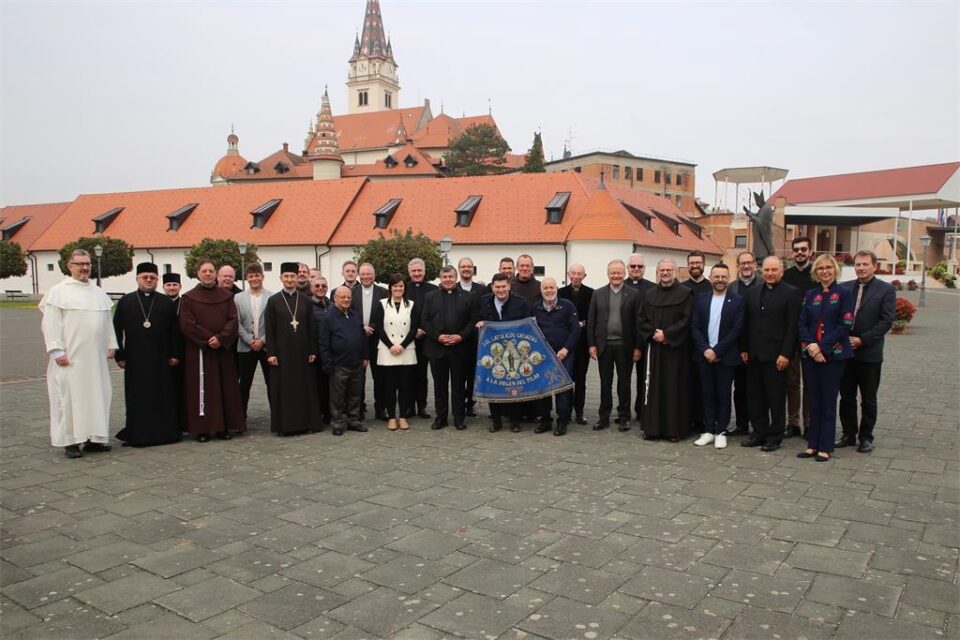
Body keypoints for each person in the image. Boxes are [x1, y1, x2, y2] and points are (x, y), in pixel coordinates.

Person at [39, 249, 118, 458]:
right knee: (70, 398)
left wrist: (112, 343)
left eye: (88, 264)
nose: (84, 268)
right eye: (80, 264)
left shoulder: (98, 292)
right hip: (71, 358)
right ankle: (71, 441)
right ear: (69, 266)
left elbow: (106, 320)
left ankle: (95, 438)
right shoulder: (58, 292)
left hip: (95, 358)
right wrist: (57, 350)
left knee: (98, 396)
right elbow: (50, 324)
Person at [113, 262, 182, 447]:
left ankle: (165, 433)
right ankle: (137, 433)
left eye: (152, 277)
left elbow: (175, 331)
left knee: (163, 393)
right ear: (137, 279)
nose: (149, 280)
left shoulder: (166, 302)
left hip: (162, 356)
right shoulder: (125, 302)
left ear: (157, 280)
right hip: (135, 357)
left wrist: (175, 354)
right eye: (145, 277)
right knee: (137, 395)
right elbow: (116, 330)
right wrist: (120, 355)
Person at [740, 256, 801, 452]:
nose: (770, 273)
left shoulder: (791, 293)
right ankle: (759, 432)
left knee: (775, 397)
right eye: (767, 270)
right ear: (761, 271)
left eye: (774, 270)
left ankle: (775, 436)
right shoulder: (753, 292)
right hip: (754, 355)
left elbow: (793, 327)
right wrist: (744, 348)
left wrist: (786, 354)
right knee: (755, 397)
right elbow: (746, 323)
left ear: (782, 271)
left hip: (777, 356)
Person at [797, 254, 854, 462]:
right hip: (810, 355)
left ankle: (826, 446)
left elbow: (845, 325)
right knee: (813, 401)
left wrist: (822, 347)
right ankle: (812, 444)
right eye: (821, 268)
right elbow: (802, 323)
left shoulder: (845, 293)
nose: (825, 271)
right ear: (816, 272)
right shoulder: (810, 294)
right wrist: (812, 347)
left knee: (828, 401)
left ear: (835, 270)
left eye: (829, 267)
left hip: (834, 355)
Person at [180, 259, 245, 442]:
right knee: (202, 389)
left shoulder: (226, 296)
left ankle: (223, 427)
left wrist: (221, 338)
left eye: (211, 271)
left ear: (216, 274)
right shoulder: (189, 298)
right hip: (200, 352)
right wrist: (208, 339)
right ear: (198, 274)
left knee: (225, 388)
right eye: (204, 271)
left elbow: (233, 320)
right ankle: (202, 429)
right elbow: (187, 324)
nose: (208, 274)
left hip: (222, 351)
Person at [837, 250, 896, 453]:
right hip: (846, 352)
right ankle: (848, 433)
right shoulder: (845, 288)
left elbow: (886, 321)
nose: (861, 268)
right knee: (846, 396)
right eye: (858, 264)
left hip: (869, 353)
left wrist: (863, 340)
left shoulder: (886, 290)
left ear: (874, 266)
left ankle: (866, 437)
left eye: (865, 264)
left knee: (868, 398)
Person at [638, 259, 694, 442]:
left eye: (669, 269)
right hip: (654, 349)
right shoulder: (649, 294)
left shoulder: (686, 294)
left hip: (675, 350)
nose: (665, 272)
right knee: (652, 387)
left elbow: (687, 320)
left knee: (674, 388)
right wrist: (654, 333)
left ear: (675, 271)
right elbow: (641, 319)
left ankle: (674, 430)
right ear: (657, 272)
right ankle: (652, 429)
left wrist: (668, 335)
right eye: (662, 269)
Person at [691, 264, 743, 449]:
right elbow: (695, 326)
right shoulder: (701, 299)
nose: (720, 280)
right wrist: (706, 349)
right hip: (704, 355)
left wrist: (717, 351)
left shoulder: (736, 301)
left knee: (723, 394)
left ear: (728, 278)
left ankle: (721, 431)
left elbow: (736, 329)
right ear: (710, 278)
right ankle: (708, 430)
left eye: (723, 277)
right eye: (716, 277)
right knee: (707, 394)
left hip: (725, 356)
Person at [265, 263, 321, 436]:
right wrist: (271, 353)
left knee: (304, 387)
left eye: (292, 276)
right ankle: (285, 426)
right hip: (281, 354)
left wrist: (313, 350)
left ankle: (306, 423)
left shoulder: (306, 300)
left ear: (297, 278)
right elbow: (269, 328)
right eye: (286, 277)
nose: (289, 280)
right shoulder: (273, 301)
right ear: (281, 278)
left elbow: (312, 327)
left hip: (303, 353)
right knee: (284, 389)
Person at [587, 259, 641, 431]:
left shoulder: (633, 294)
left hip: (625, 345)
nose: (616, 276)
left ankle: (624, 416)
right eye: (613, 273)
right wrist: (591, 344)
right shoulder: (598, 293)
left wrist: (638, 347)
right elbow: (591, 321)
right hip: (604, 345)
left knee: (624, 383)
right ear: (607, 274)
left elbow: (639, 323)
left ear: (624, 274)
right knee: (605, 383)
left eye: (619, 273)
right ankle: (603, 417)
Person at [421, 265, 477, 430]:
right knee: (439, 386)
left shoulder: (468, 297)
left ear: (456, 277)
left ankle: (459, 418)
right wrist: (437, 336)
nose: (448, 280)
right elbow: (425, 320)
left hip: (460, 348)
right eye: (445, 277)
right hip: (436, 348)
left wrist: (461, 336)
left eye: (451, 277)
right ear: (440, 279)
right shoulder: (430, 297)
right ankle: (441, 418)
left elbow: (472, 320)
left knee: (459, 386)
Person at [478, 272, 532, 432]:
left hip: (514, 351)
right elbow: (477, 319)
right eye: (497, 287)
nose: (500, 290)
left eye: (503, 286)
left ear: (509, 285)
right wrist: (480, 324)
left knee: (513, 383)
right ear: (492, 287)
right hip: (492, 350)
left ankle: (515, 421)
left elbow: (528, 324)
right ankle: (496, 421)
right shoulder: (483, 302)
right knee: (493, 382)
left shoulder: (520, 302)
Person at [318, 286, 369, 436]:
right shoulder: (328, 317)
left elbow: (362, 337)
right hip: (338, 364)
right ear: (335, 298)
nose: (346, 300)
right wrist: (328, 363)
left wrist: (365, 356)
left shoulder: (355, 315)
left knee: (355, 394)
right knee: (337, 396)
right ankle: (338, 422)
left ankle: (353, 420)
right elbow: (324, 342)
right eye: (343, 297)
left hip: (357, 363)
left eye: (348, 297)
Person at [532, 277, 580, 436]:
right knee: (542, 388)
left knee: (562, 388)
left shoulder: (567, 306)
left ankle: (562, 421)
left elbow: (575, 330)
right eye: (545, 288)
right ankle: (545, 420)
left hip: (563, 355)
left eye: (551, 287)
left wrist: (566, 349)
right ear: (541, 290)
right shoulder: (535, 308)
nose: (549, 291)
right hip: (542, 356)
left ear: (557, 288)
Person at [372, 274, 419, 431]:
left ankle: (403, 417)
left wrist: (403, 345)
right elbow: (378, 327)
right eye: (395, 286)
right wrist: (391, 345)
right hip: (387, 350)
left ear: (404, 288)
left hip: (406, 350)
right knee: (389, 386)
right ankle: (392, 417)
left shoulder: (411, 305)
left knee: (406, 386)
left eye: (401, 286)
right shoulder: (382, 304)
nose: (398, 289)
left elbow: (414, 328)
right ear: (390, 288)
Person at [783, 236, 817, 438]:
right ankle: (793, 423)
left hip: (813, 339)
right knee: (792, 383)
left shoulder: (817, 274)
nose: (800, 253)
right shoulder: (786, 275)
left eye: (804, 249)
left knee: (810, 383)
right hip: (792, 337)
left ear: (810, 252)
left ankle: (810, 422)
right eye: (796, 249)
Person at [235, 263, 272, 422]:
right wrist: (250, 340)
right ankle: (240, 418)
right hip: (245, 346)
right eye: (251, 276)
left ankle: (276, 416)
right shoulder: (238, 298)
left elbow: (274, 324)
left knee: (271, 383)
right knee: (244, 384)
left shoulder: (271, 297)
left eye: (257, 275)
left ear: (263, 277)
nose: (254, 278)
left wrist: (262, 340)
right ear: (247, 278)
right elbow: (235, 323)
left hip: (266, 347)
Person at [727, 251, 758, 436]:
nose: (746, 266)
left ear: (754, 264)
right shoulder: (731, 288)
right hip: (736, 347)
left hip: (757, 346)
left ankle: (758, 423)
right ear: (738, 266)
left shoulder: (763, 284)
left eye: (749, 263)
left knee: (756, 389)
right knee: (739, 389)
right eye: (742, 263)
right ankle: (741, 424)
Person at [558, 264, 594, 425]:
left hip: (582, 344)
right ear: (568, 274)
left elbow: (592, 318)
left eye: (580, 274)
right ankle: (564, 411)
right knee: (565, 379)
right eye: (573, 273)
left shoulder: (591, 293)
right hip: (565, 343)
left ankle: (579, 412)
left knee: (581, 379)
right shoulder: (561, 293)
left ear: (584, 276)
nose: (576, 276)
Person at [352, 263, 388, 421]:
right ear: (359, 275)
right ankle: (358, 409)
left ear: (374, 275)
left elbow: (386, 316)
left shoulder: (384, 292)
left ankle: (381, 409)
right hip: (357, 341)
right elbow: (349, 314)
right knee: (358, 377)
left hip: (377, 340)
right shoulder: (352, 292)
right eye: (363, 274)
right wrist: (361, 327)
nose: (366, 277)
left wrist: (371, 327)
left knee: (380, 378)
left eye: (369, 274)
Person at [405, 257, 437, 418]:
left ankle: (422, 406)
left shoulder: (433, 289)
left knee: (422, 375)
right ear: (409, 272)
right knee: (408, 374)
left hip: (426, 339)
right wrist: (413, 331)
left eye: (419, 271)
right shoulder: (403, 288)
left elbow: (435, 314)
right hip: (407, 339)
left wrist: (423, 330)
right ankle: (409, 407)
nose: (416, 274)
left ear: (424, 272)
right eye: (413, 271)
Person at [624, 254, 654, 424]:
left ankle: (642, 410)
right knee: (624, 379)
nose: (636, 269)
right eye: (633, 266)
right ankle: (624, 412)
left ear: (644, 268)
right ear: (628, 268)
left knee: (645, 378)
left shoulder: (652, 288)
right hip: (626, 342)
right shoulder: (621, 286)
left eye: (639, 267)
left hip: (645, 341)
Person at [458, 257, 484, 417]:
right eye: (463, 266)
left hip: (476, 340)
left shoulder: (481, 290)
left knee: (473, 375)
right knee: (459, 375)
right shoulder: (453, 288)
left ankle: (470, 403)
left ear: (473, 269)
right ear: (459, 269)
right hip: (459, 340)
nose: (466, 269)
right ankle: (459, 403)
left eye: (469, 266)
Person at [310, 276, 332, 425]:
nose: (320, 288)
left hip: (330, 352)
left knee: (329, 385)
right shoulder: (307, 306)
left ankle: (328, 413)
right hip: (315, 353)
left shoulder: (332, 305)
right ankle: (317, 414)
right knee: (316, 385)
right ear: (311, 288)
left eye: (323, 286)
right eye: (317, 286)